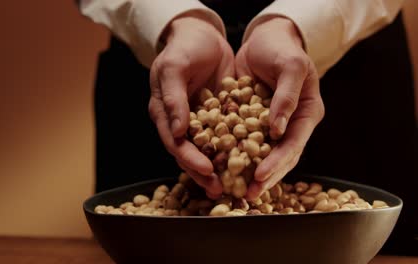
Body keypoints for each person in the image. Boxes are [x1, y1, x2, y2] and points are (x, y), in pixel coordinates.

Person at [76, 0, 417, 255]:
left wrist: (297, 22)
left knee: (358, 238)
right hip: (164, 58)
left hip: (346, 67)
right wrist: (175, 19)